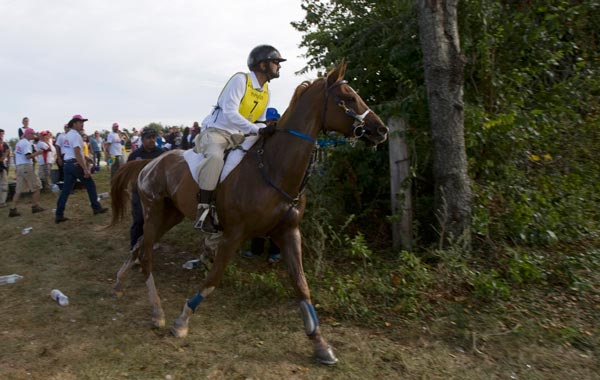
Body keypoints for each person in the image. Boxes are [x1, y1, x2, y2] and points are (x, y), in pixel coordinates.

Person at [192, 44, 285, 233]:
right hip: (217, 132)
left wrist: (265, 130)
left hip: (240, 136)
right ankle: (203, 212)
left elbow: (259, 121)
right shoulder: (240, 80)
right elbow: (229, 113)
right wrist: (257, 130)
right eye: (276, 62)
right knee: (215, 159)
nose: (279, 66)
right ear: (262, 65)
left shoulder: (266, 91)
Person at [240, 107, 282, 263]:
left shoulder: (280, 136)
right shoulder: (259, 134)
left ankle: (275, 252)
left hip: (275, 181)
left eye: (274, 120)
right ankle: (256, 250)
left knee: (275, 217)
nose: (271, 123)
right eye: (269, 120)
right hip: (260, 179)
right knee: (258, 215)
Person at [55, 115, 108, 223]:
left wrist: (86, 157)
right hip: (75, 164)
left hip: (68, 165)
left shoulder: (67, 135)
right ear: (74, 123)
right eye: (80, 122)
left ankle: (59, 214)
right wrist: (85, 168)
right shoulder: (76, 136)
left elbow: (71, 151)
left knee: (66, 190)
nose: (82, 124)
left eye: (82, 122)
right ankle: (96, 207)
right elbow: (77, 152)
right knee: (90, 185)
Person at [127, 127, 165, 250]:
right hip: (139, 192)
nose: (152, 140)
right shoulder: (134, 155)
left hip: (157, 192)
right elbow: (129, 173)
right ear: (142, 140)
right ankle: (134, 247)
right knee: (139, 220)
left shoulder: (161, 154)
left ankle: (152, 241)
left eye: (153, 137)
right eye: (148, 138)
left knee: (155, 219)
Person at [8, 128, 45, 217]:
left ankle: (12, 209)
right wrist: (38, 153)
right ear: (28, 134)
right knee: (36, 186)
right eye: (32, 134)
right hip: (26, 166)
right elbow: (28, 156)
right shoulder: (27, 143)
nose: (33, 135)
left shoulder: (19, 143)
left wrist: (17, 167)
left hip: (20, 167)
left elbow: (16, 156)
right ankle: (35, 206)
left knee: (18, 190)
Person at [0, 129, 11, 208]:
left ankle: (2, 202)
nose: (2, 136)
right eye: (1, 134)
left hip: (3, 167)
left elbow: (8, 155)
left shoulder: (5, 144)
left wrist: (8, 165)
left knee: (4, 184)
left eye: (3, 134)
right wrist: (4, 155)